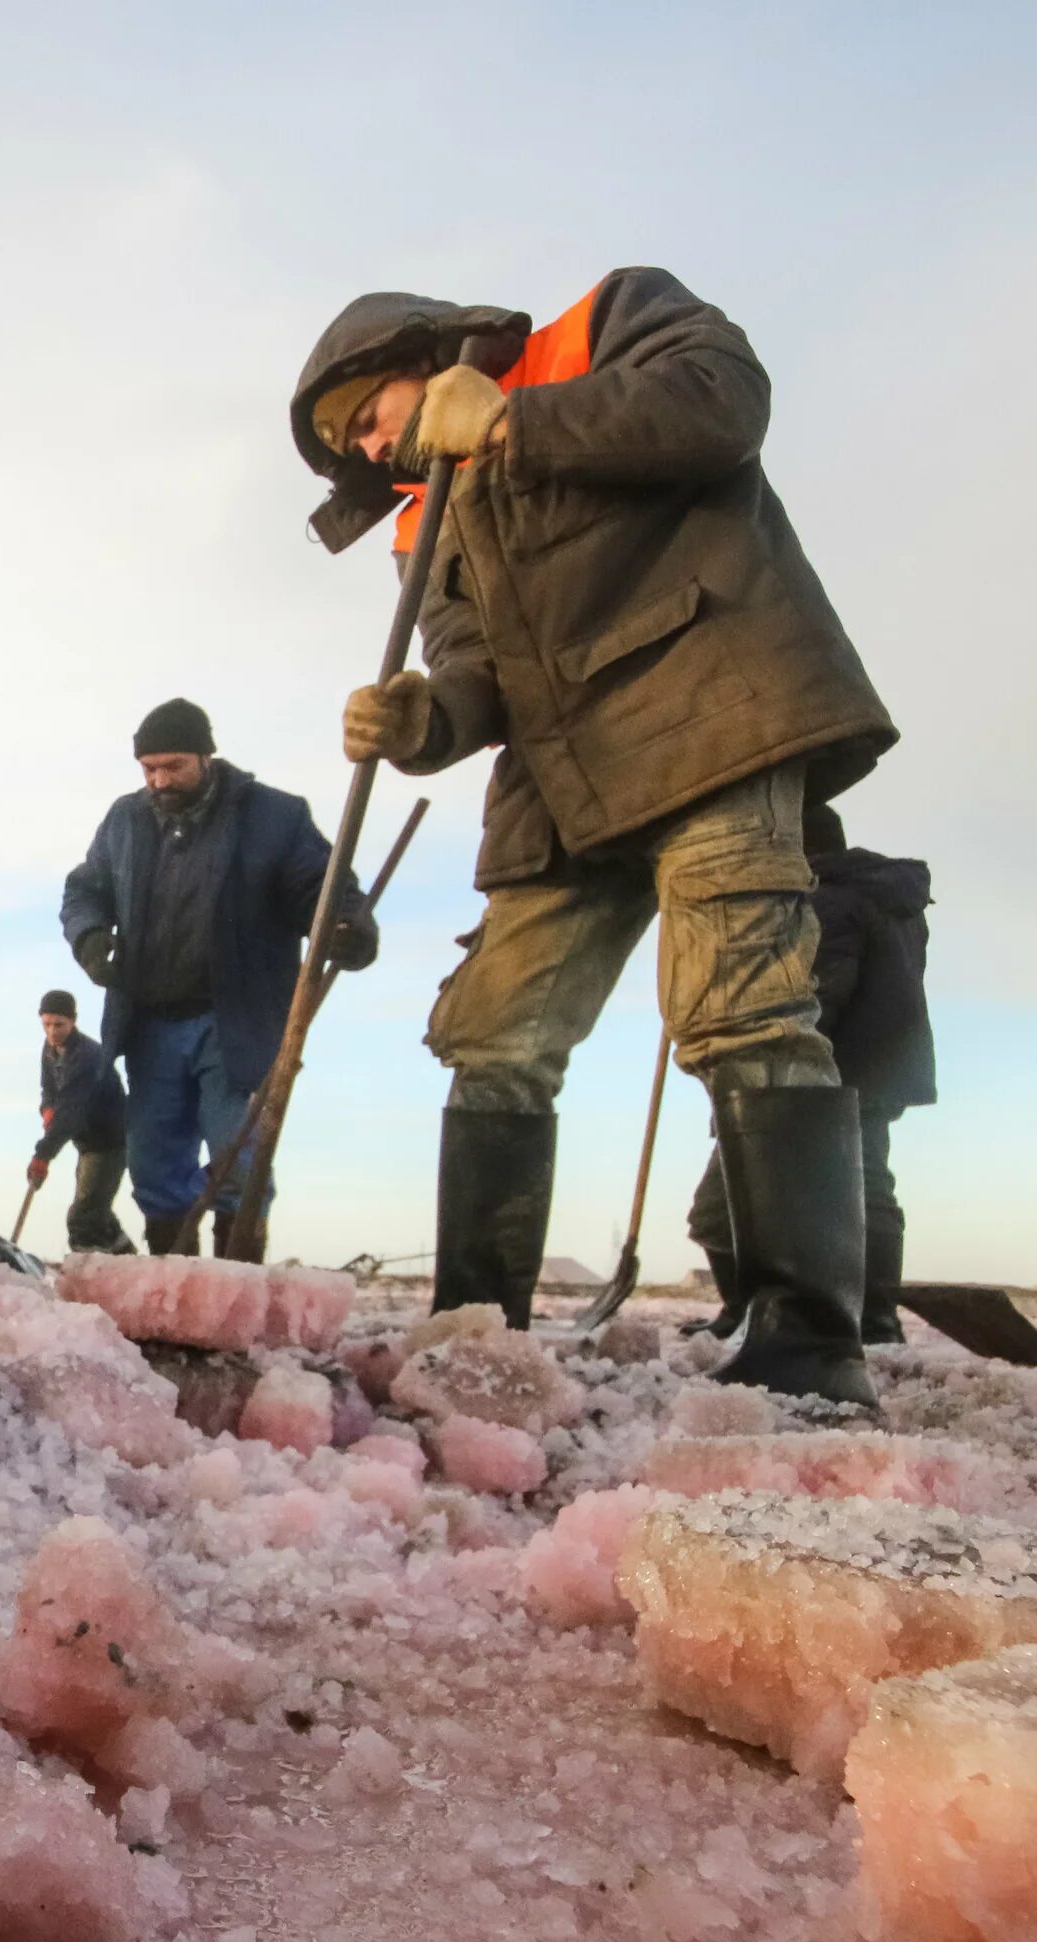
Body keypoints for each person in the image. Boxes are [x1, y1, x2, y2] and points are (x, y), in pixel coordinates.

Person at [289, 267, 895, 1403]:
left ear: (418, 360)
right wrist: (430, 719)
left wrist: (518, 419)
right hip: (559, 783)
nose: (367, 454)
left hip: (706, 710)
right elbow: (477, 671)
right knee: (495, 1033)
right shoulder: (425, 521)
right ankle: (479, 1325)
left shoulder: (605, 324)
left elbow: (724, 403)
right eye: (350, 448)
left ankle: (812, 1345)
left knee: (742, 1009)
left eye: (363, 420)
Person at [60, 698, 374, 1261]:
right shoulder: (125, 821)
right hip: (150, 1021)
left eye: (173, 765)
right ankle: (170, 1281)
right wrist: (90, 938)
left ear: (207, 756)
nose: (159, 780)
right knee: (153, 1159)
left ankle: (238, 1282)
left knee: (239, 1155)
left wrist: (345, 926)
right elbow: (85, 889)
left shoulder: (273, 817)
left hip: (235, 1020)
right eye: (149, 768)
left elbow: (320, 888)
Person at [692, 810, 934, 1343]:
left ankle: (747, 1311)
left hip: (815, 1073)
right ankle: (874, 1320)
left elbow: (816, 993)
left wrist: (754, 1044)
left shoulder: (829, 898)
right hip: (880, 1068)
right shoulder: (890, 897)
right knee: (869, 1185)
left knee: (726, 1195)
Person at [29, 987, 131, 1254]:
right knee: (98, 1213)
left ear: (73, 1021)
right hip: (87, 1143)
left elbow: (71, 1112)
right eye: (46, 1024)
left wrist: (43, 1155)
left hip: (110, 1141)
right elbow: (49, 1088)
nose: (52, 1031)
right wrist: (47, 1109)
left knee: (83, 1217)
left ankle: (84, 1279)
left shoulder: (87, 1057)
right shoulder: (50, 1049)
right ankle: (129, 1261)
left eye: (59, 1024)